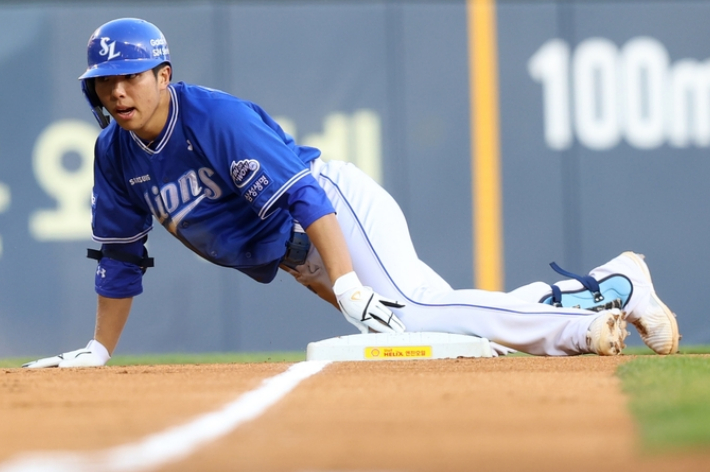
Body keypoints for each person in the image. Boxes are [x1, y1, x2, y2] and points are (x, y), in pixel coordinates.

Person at [23, 18, 679, 368]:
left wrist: (349, 284)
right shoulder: (114, 154)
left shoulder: (214, 119)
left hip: (334, 206)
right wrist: (100, 349)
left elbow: (303, 196)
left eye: (130, 76)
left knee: (418, 310)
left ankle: (584, 326)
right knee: (441, 312)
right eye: (105, 81)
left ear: (163, 75)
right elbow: (119, 255)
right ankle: (612, 286)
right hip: (301, 250)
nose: (116, 91)